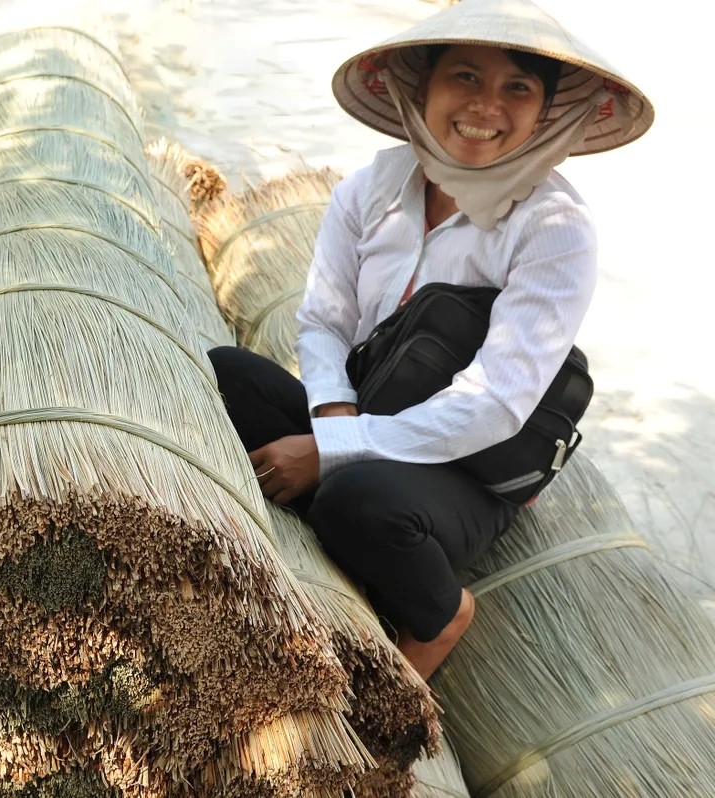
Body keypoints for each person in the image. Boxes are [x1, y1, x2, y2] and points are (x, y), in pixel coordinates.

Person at [208, 0, 653, 680]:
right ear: (421, 86)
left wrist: (332, 452)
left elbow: (493, 404)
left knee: (357, 500)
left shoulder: (554, 229)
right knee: (226, 374)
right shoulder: (368, 190)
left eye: (517, 88)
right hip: (370, 406)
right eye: (466, 77)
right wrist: (333, 415)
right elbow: (324, 321)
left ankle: (440, 616)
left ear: (546, 112)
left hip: (469, 462)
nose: (486, 106)